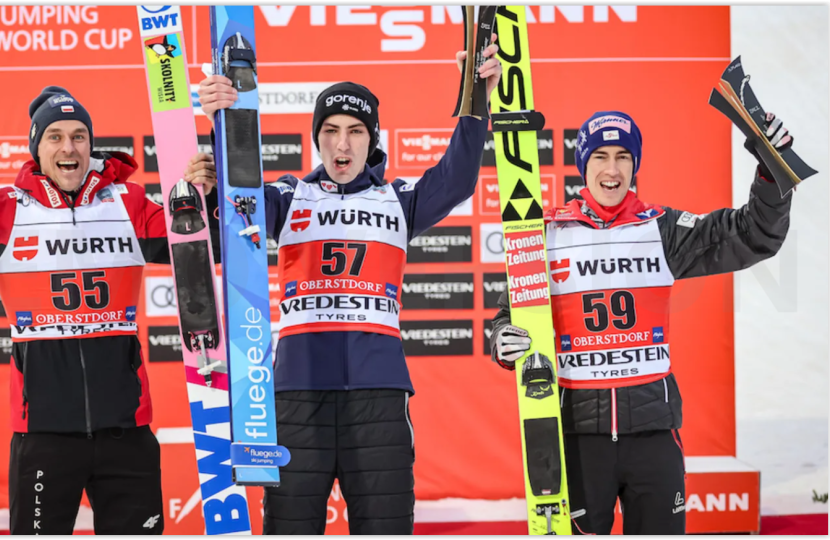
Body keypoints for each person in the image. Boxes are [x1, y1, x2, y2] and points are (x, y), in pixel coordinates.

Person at [185, 38, 502, 534]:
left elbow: (457, 179)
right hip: (296, 397)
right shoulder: (290, 196)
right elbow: (238, 199)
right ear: (317, 138)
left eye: (355, 131)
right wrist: (218, 126)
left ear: (373, 139)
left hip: (377, 397)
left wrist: (476, 95)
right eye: (330, 131)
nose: (342, 144)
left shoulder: (398, 199)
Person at [0, 86, 212, 535]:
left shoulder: (128, 203)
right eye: (54, 136)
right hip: (43, 433)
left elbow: (198, 241)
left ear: (91, 145)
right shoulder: (4, 211)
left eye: (79, 136)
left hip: (126, 430)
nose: (68, 147)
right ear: (36, 147)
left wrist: (205, 188)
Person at [489, 110, 798, 535]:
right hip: (578, 437)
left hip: (653, 434)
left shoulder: (662, 228)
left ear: (635, 165)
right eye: (600, 156)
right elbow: (508, 317)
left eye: (622, 157)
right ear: (583, 165)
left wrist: (772, 168)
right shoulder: (547, 233)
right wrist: (503, 340)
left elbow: (754, 234)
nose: (612, 169)